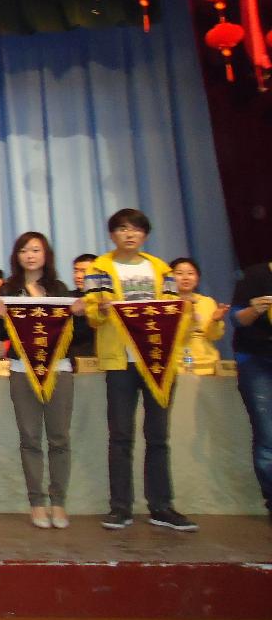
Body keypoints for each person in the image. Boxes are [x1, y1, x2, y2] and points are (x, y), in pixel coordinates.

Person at [84, 208, 197, 532]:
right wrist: (102, 309)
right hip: (120, 360)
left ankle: (161, 506)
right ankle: (120, 507)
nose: (129, 234)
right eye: (122, 228)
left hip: (159, 361)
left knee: (158, 436)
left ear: (145, 235)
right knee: (120, 435)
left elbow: (172, 311)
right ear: (112, 235)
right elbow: (92, 314)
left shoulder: (160, 268)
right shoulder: (99, 268)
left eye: (135, 229)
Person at [0, 232, 84, 529]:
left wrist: (79, 315)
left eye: (35, 250)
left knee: (59, 438)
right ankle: (36, 503)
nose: (30, 255)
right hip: (22, 371)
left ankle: (59, 502)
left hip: (59, 369)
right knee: (30, 438)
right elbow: (1, 335)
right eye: (24, 250)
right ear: (16, 256)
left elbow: (78, 336)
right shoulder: (9, 289)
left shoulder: (60, 289)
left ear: (46, 254)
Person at [229, 261, 272, 520]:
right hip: (257, 359)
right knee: (267, 434)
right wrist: (255, 310)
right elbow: (236, 318)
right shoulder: (255, 275)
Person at [169, 257, 228, 372]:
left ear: (197, 278)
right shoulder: (166, 303)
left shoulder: (207, 302)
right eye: (179, 273)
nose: (185, 278)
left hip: (208, 365)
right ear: (170, 278)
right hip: (177, 366)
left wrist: (215, 320)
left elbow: (214, 336)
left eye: (190, 273)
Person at [67, 254, 98, 361]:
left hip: (104, 356)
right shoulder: (66, 298)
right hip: (73, 358)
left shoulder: (106, 299)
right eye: (76, 271)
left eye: (84, 271)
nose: (78, 276)